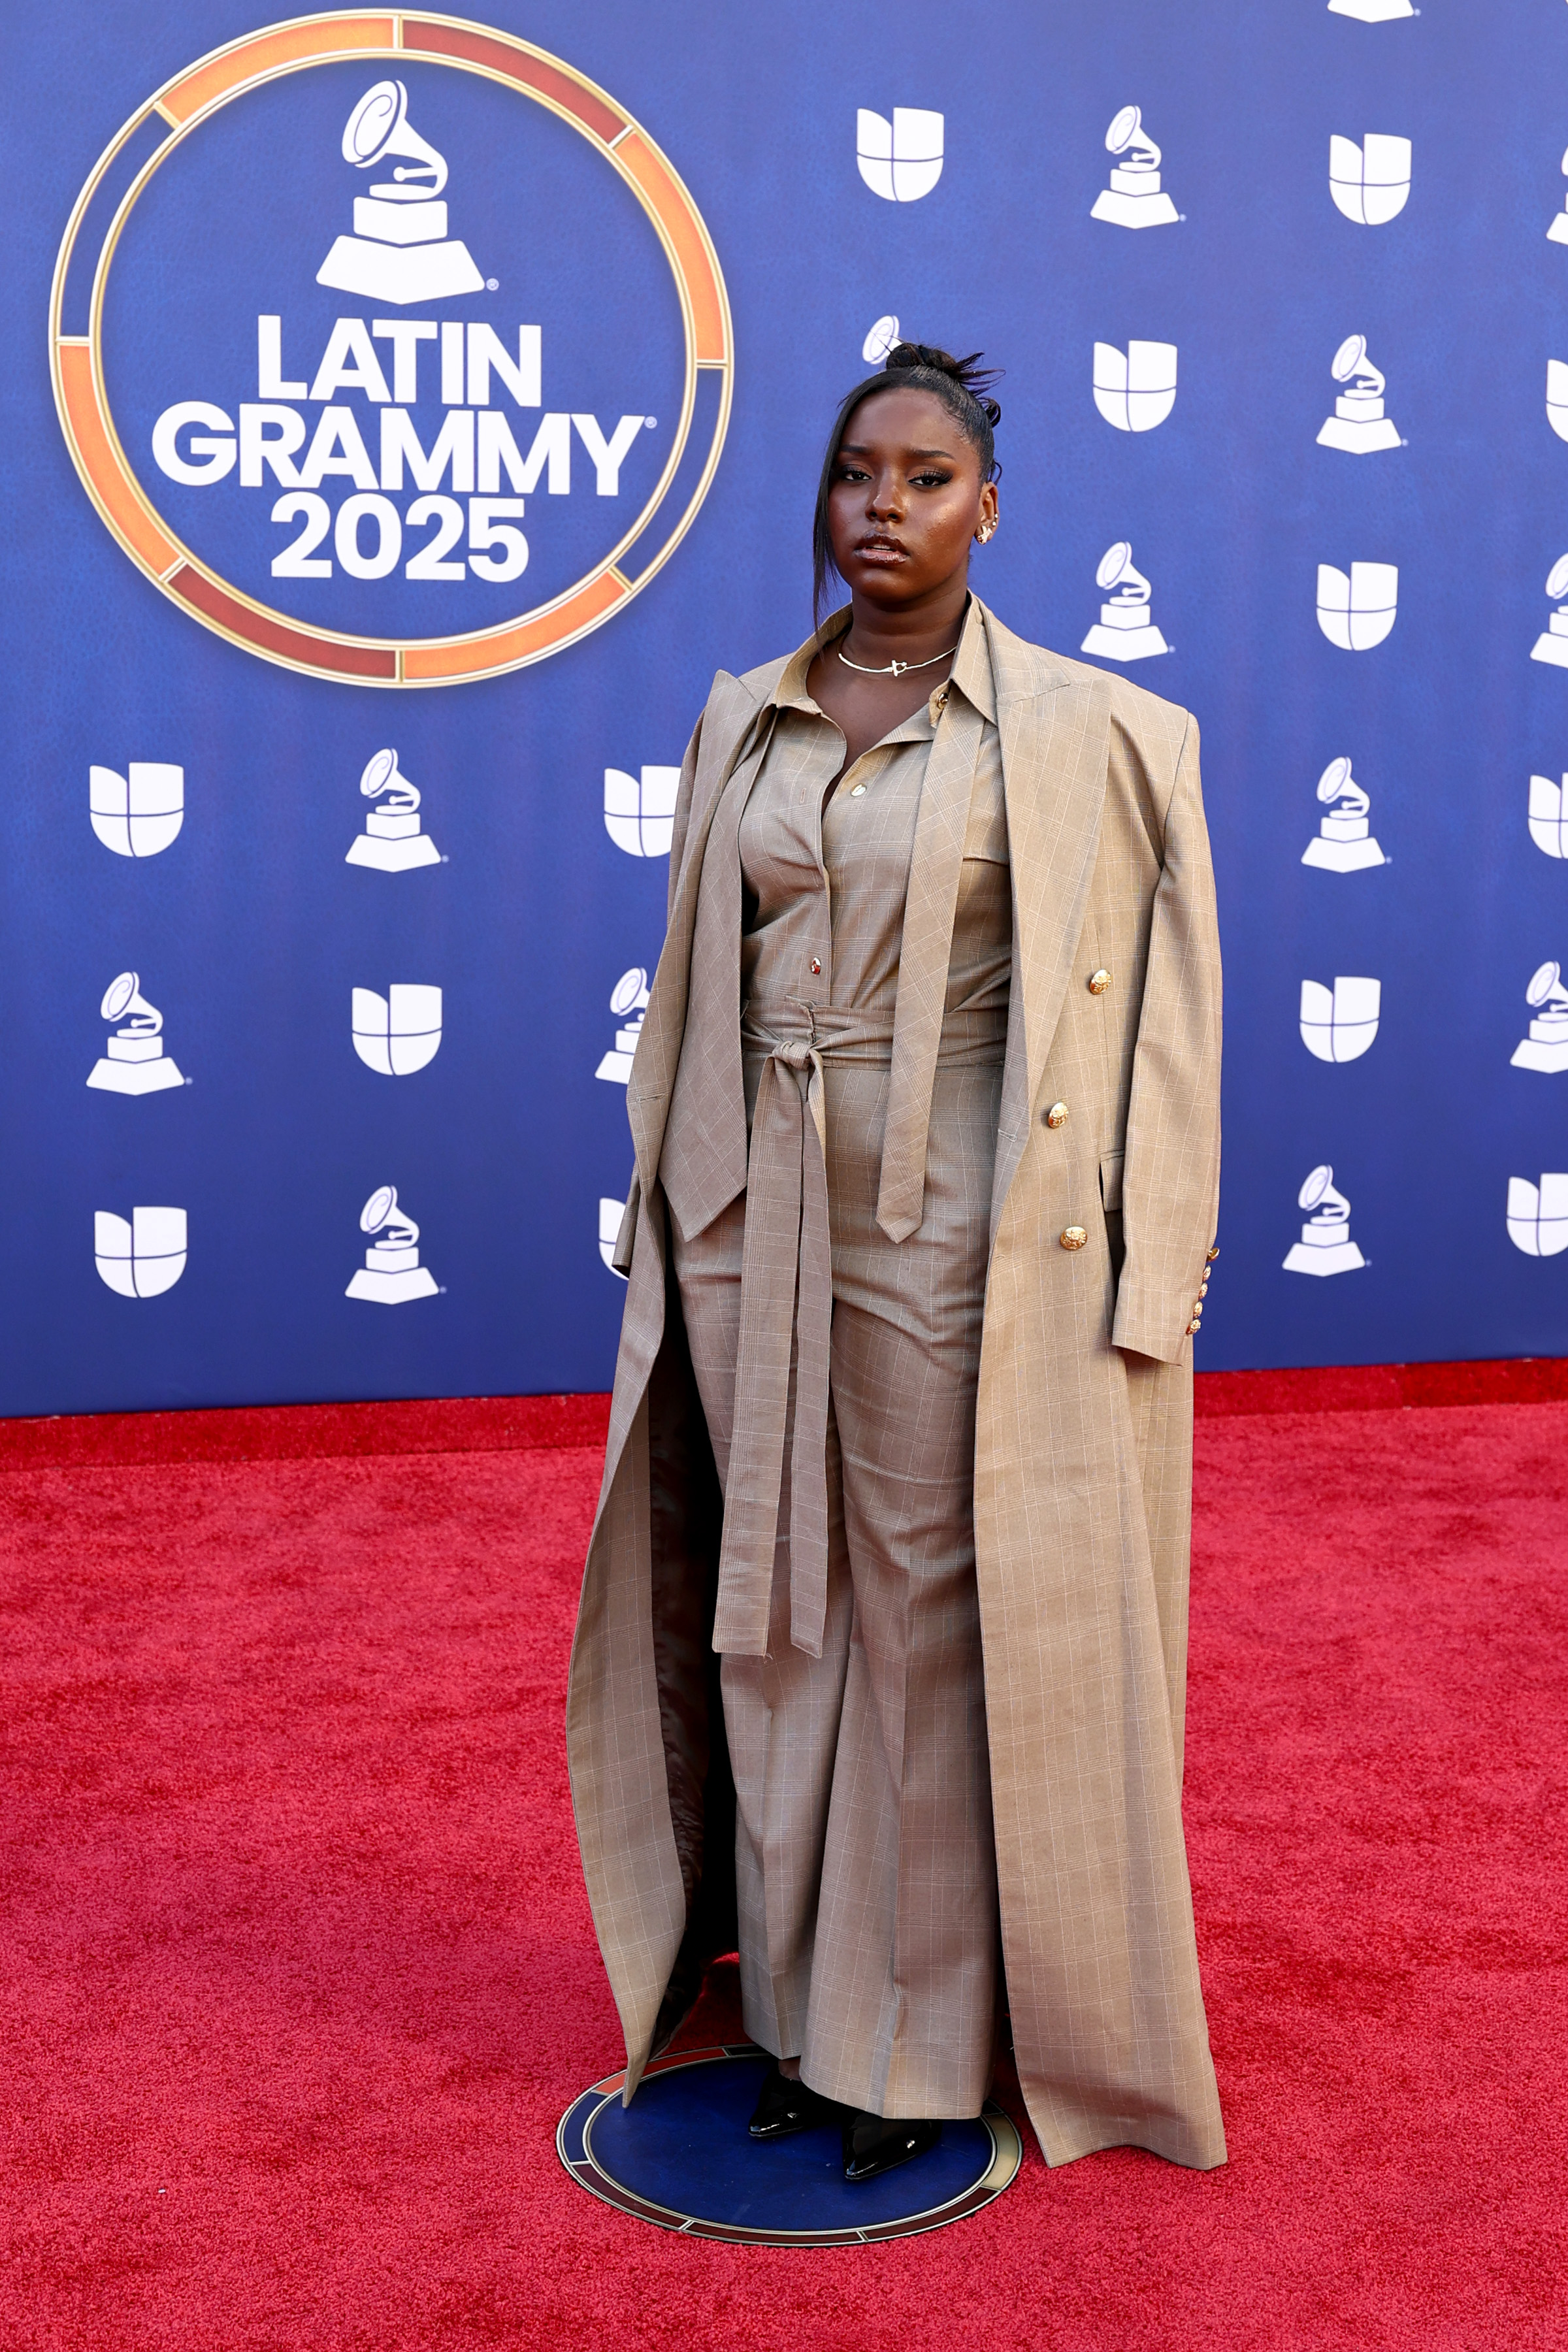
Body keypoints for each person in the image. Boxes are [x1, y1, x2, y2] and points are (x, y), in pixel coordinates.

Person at [567, 342, 1226, 2183]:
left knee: (929, 1610)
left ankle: (907, 2042)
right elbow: (703, 979)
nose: (884, 506)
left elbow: (1167, 1032)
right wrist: (680, 1202)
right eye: (860, 472)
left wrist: (1145, 1279)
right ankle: (787, 2008)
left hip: (960, 1222)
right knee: (768, 1598)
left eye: (927, 477)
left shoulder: (1094, 735)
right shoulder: (746, 716)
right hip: (752, 1205)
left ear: (989, 506)